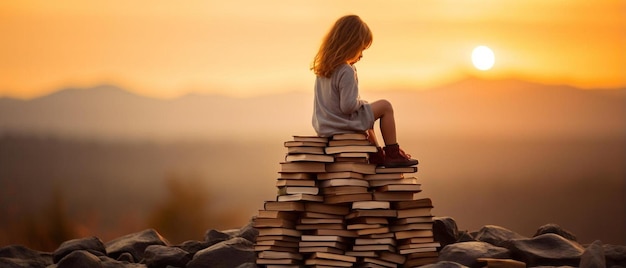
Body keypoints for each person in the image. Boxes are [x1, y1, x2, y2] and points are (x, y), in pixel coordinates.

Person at [311, 15, 418, 168]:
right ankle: (393, 153)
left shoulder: (323, 70)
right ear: (350, 45)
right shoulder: (346, 70)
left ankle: (377, 154)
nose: (361, 55)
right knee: (385, 106)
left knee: (366, 115)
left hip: (326, 127)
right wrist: (362, 103)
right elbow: (347, 106)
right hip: (342, 124)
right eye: (361, 49)